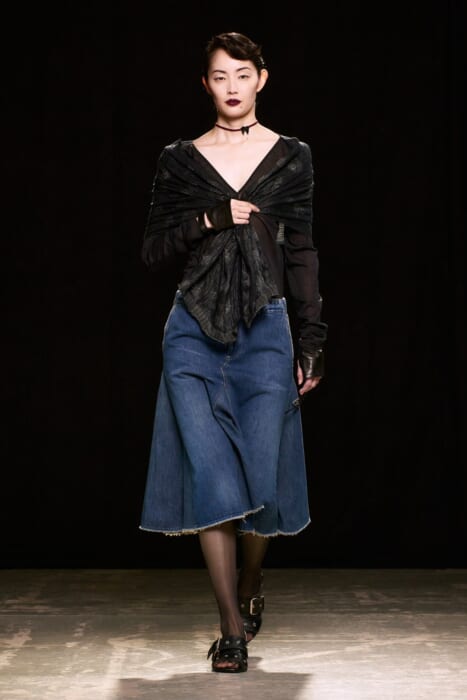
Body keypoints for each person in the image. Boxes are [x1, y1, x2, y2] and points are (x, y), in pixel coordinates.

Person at [139, 31, 328, 673]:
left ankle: (250, 581)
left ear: (261, 79)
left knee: (260, 481)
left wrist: (312, 339)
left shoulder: (291, 157)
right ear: (206, 83)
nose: (231, 87)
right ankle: (229, 629)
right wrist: (208, 220)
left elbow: (301, 252)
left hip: (265, 333)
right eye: (220, 76)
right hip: (192, 332)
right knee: (213, 477)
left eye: (242, 75)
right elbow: (153, 250)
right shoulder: (181, 160)